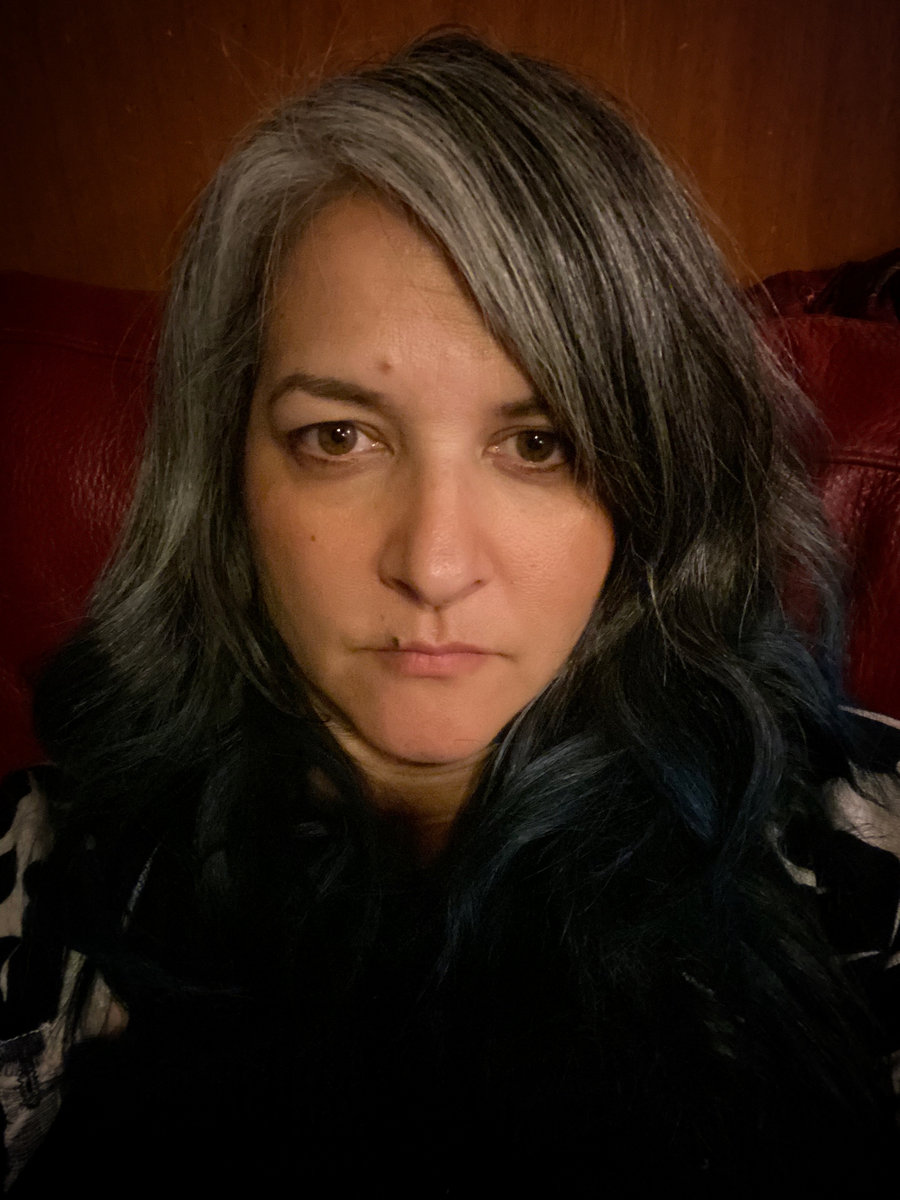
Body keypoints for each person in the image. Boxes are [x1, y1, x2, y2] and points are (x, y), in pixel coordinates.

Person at [1, 30, 898, 1196]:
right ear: (226, 475)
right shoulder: (36, 873)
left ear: (654, 479)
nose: (432, 564)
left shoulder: (865, 848)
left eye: (539, 443)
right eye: (338, 437)